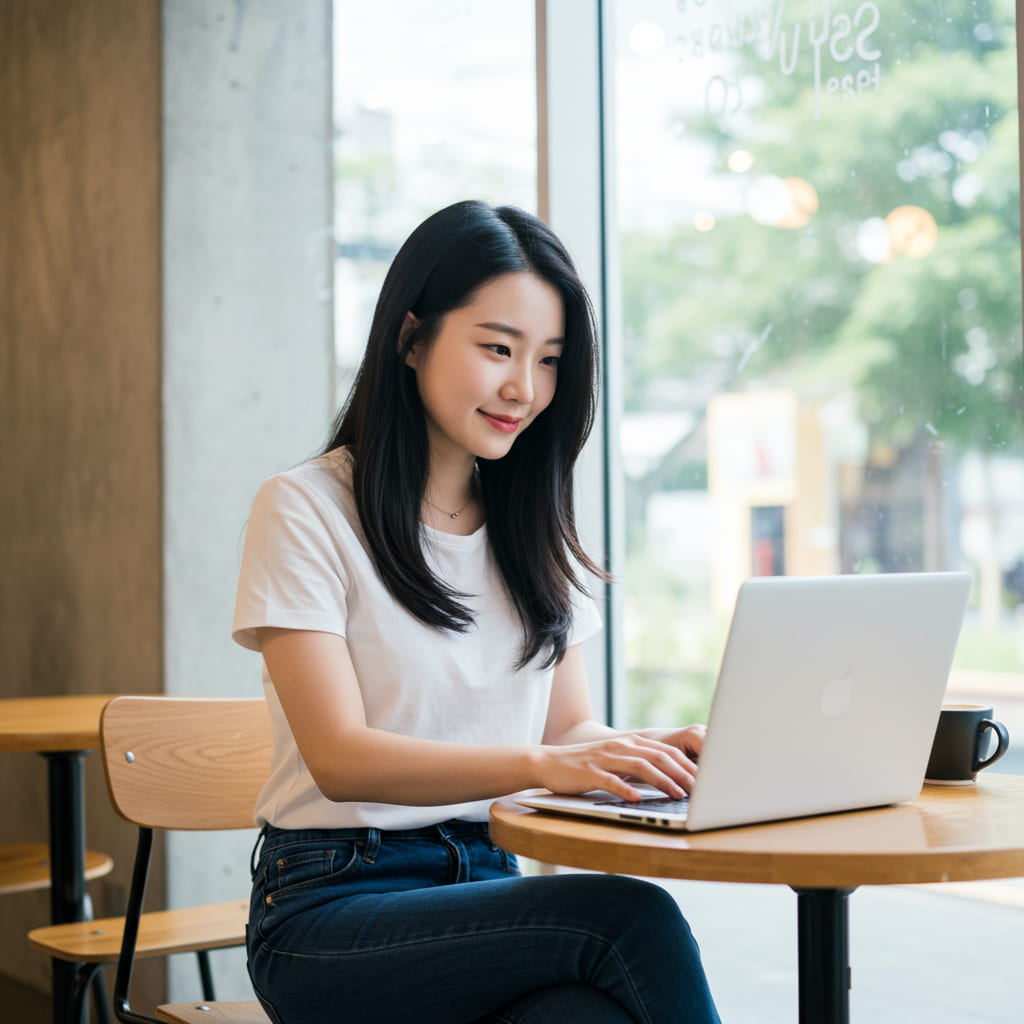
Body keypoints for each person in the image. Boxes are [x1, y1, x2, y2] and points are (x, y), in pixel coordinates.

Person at [232, 199, 721, 1024]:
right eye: (497, 348)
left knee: (587, 1016)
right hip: (331, 909)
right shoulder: (306, 507)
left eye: (551, 360)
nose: (523, 388)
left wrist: (640, 751)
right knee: (627, 920)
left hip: (488, 892)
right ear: (413, 337)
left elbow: (567, 732)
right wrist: (537, 766)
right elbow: (341, 758)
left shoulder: (533, 527)